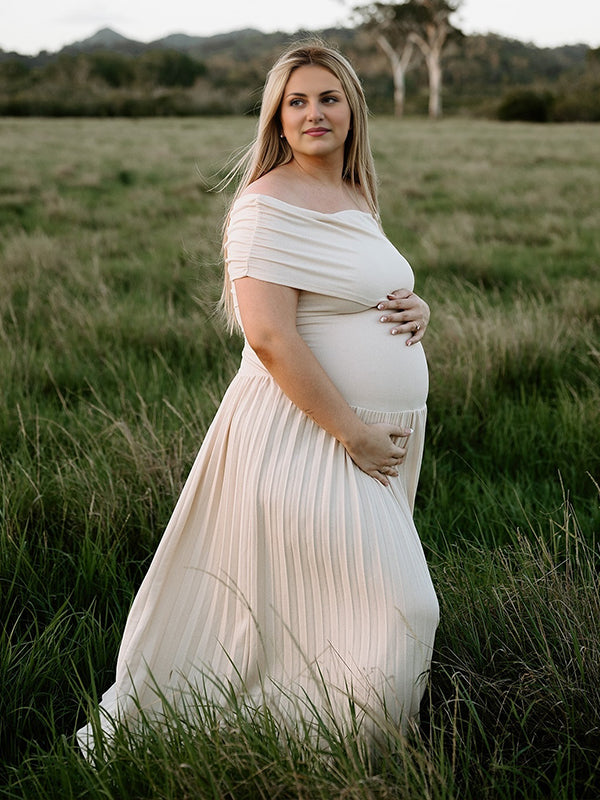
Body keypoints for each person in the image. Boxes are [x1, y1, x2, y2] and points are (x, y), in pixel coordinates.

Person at [77, 41, 439, 752]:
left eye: (328, 97)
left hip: (367, 441)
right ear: (276, 118)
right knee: (406, 608)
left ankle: (310, 752)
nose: (313, 113)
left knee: (331, 615)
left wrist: (416, 310)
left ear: (352, 110)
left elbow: (354, 295)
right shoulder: (265, 204)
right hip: (310, 436)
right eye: (296, 101)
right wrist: (353, 433)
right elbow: (270, 337)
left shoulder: (353, 194)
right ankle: (323, 751)